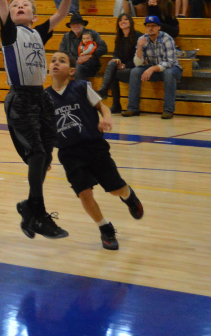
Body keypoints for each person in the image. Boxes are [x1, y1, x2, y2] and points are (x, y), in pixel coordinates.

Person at [0, 0, 74, 239]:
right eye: (15, 6)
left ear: (34, 16)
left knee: (47, 155)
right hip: (20, 97)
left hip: (41, 97)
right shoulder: (10, 32)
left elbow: (61, 14)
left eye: (25, 5)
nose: (19, 6)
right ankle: (38, 213)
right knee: (36, 153)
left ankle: (28, 208)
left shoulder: (38, 32)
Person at [45, 51, 144, 250]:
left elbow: (103, 107)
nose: (56, 63)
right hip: (68, 152)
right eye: (53, 60)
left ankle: (128, 195)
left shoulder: (81, 87)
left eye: (62, 61)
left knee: (115, 189)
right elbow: (45, 130)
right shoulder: (44, 97)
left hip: (94, 146)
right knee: (84, 193)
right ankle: (105, 228)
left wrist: (106, 118)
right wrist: (46, 155)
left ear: (72, 71)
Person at [122, 15, 183, 119]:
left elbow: (169, 61)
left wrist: (152, 68)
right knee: (135, 71)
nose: (150, 28)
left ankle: (168, 110)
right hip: (154, 69)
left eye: (154, 26)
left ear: (159, 27)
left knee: (169, 73)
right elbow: (138, 63)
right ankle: (133, 108)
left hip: (172, 69)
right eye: (148, 26)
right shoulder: (142, 39)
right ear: (145, 28)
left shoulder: (167, 39)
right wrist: (140, 48)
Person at [96, 14, 139, 113]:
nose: (122, 21)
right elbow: (116, 53)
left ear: (131, 22)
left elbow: (139, 57)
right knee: (112, 64)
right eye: (120, 20)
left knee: (113, 73)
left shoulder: (137, 36)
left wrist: (126, 65)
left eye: (125, 19)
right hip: (122, 67)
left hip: (135, 68)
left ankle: (108, 96)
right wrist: (116, 59)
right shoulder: (119, 37)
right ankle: (108, 96)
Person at [58, 14, 108, 79]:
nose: (76, 25)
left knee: (78, 69)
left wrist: (90, 56)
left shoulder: (92, 34)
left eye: (78, 23)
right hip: (72, 65)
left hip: (90, 65)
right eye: (73, 24)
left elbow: (103, 48)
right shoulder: (66, 37)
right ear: (70, 26)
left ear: (83, 25)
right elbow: (61, 52)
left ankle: (79, 88)